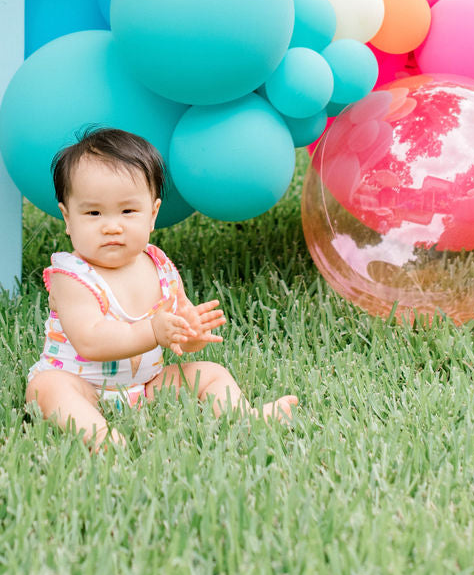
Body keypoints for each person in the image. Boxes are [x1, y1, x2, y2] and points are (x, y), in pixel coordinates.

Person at [26, 126, 298, 447]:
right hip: (82, 382)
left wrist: (190, 334)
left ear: (152, 214)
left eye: (128, 211)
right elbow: (90, 341)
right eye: (93, 212)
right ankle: (99, 435)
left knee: (209, 372)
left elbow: (177, 330)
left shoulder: (160, 267)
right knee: (47, 388)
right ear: (68, 217)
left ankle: (243, 418)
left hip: (146, 384)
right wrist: (153, 332)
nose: (111, 225)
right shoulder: (72, 277)